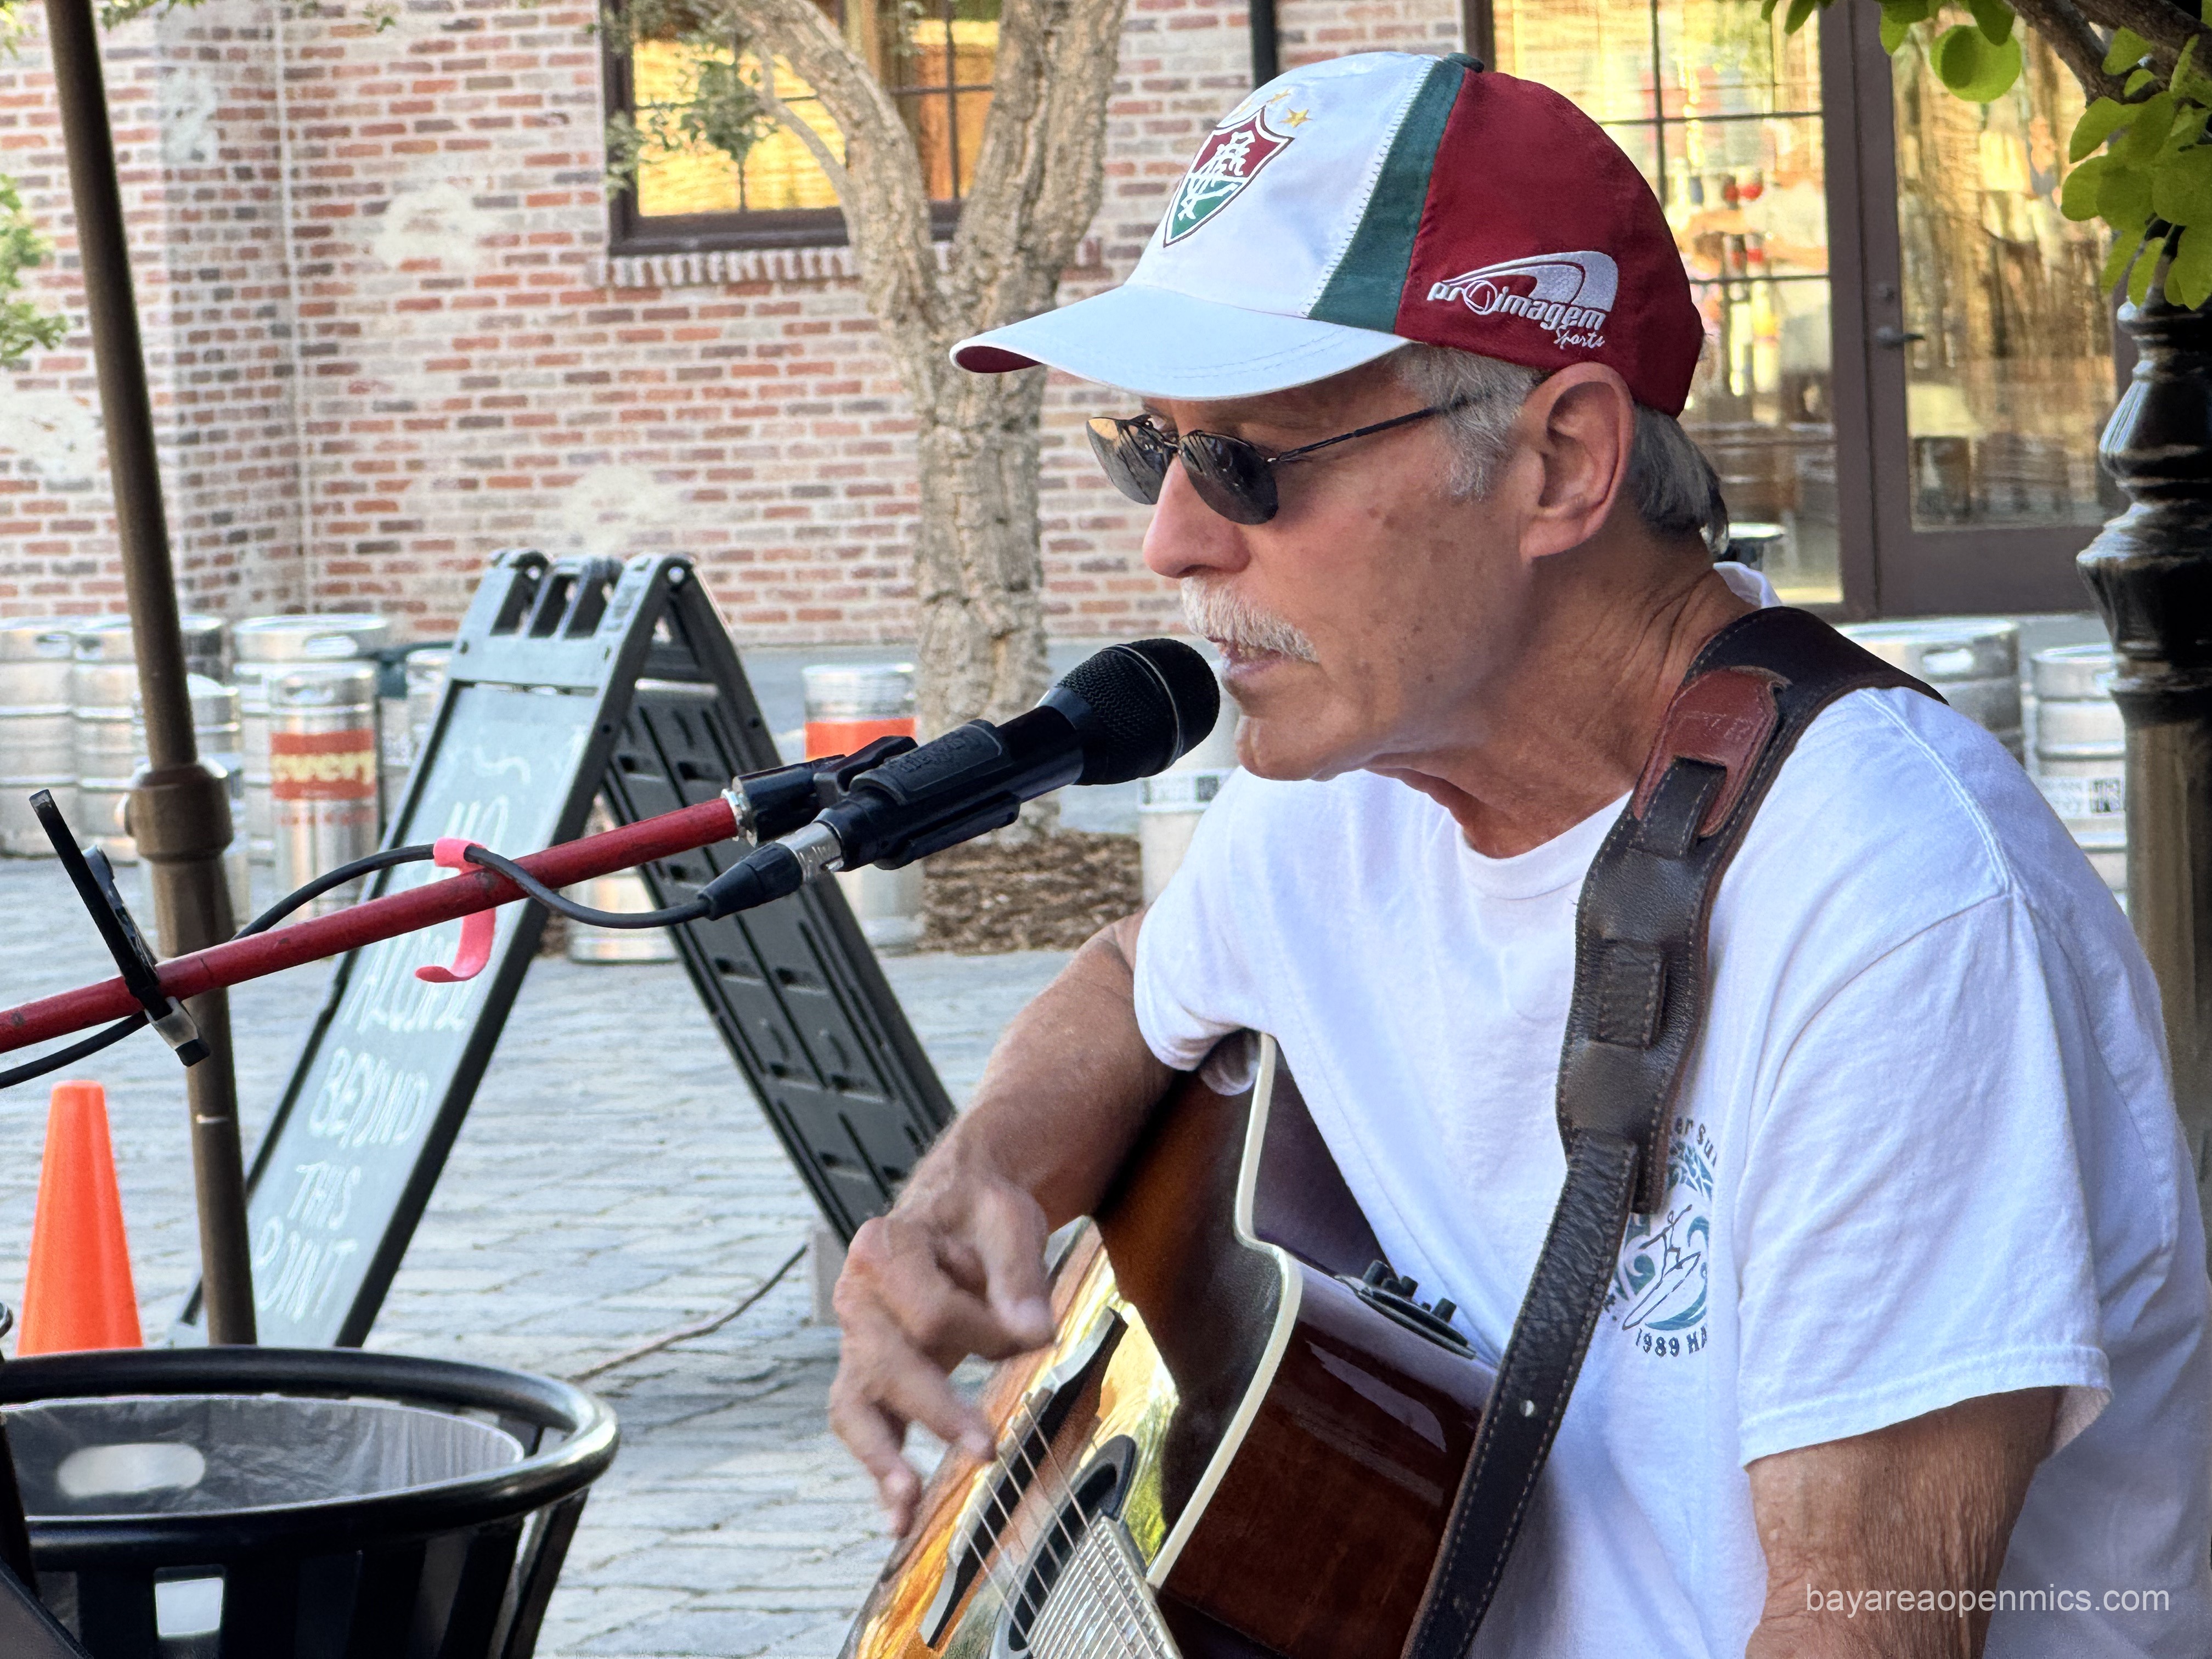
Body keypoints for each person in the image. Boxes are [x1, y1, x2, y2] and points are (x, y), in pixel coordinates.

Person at [827, 50, 2212, 1658]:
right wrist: (978, 1179)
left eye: (1249, 463)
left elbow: (1861, 1627)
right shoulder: (1347, 780)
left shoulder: (1896, 909)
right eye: (1154, 449)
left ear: (1561, 461)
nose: (1171, 540)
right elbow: (1138, 981)